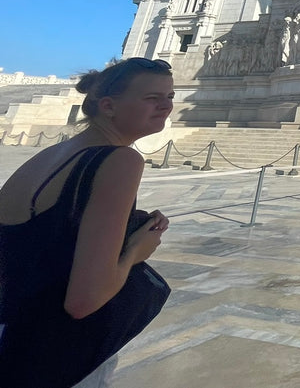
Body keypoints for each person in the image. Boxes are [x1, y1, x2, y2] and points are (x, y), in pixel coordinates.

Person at [0, 57, 174, 387]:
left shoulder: (52, 154)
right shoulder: (121, 159)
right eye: (152, 98)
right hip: (52, 351)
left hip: (11, 327)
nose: (166, 107)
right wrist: (136, 249)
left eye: (170, 97)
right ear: (108, 106)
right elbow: (84, 300)